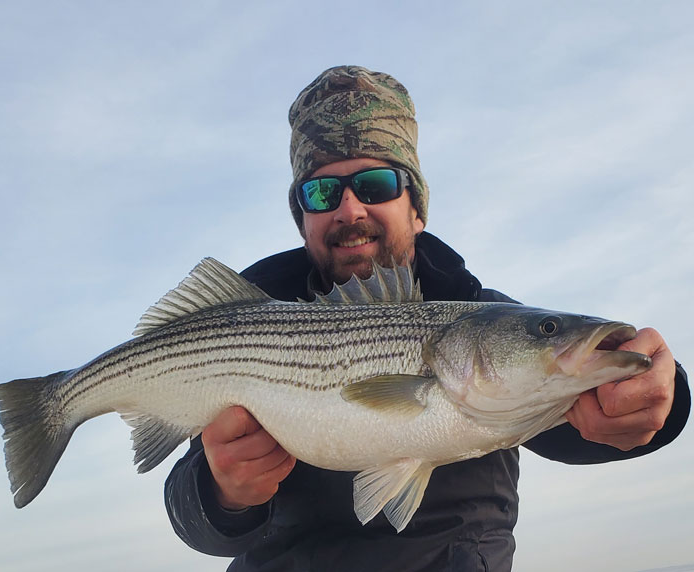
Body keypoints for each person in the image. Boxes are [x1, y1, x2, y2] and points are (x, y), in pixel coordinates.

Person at [165, 66, 690, 571]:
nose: (350, 210)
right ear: (303, 220)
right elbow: (191, 519)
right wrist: (222, 495)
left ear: (416, 207)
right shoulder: (236, 333)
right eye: (321, 192)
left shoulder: (485, 316)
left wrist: (660, 395)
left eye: (375, 184)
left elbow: (592, 421)